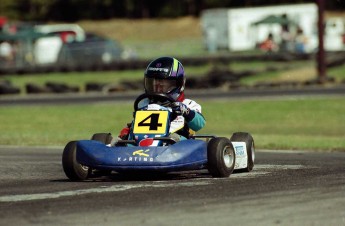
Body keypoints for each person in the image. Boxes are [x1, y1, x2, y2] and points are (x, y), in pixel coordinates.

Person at [119, 56, 206, 142]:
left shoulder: (188, 104)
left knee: (174, 138)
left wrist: (186, 112)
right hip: (143, 142)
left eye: (163, 83)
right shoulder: (145, 103)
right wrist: (127, 131)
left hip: (176, 144)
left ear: (179, 84)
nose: (158, 86)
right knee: (121, 141)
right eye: (154, 82)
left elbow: (199, 124)